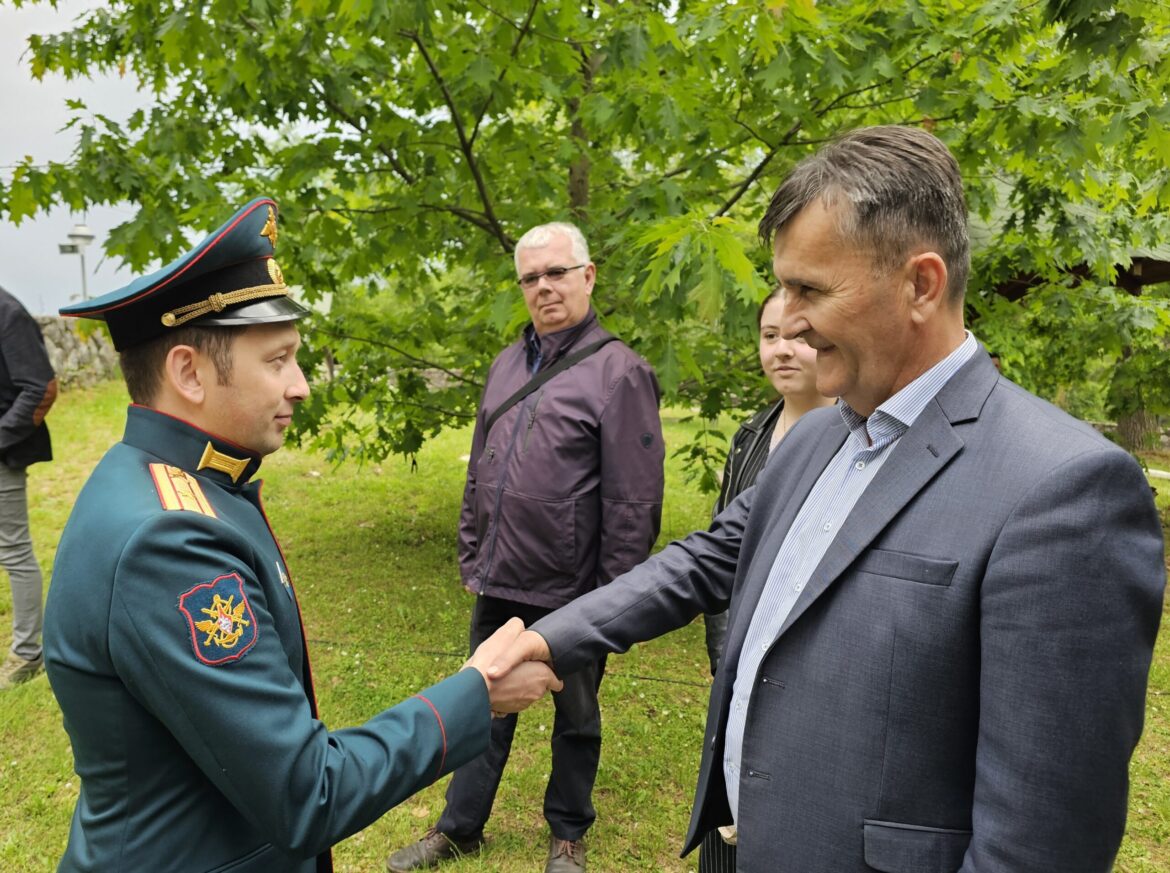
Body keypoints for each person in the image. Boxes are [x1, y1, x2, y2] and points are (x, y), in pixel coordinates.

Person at [489, 126, 1167, 872]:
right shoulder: (818, 437)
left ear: (921, 284)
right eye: (783, 286)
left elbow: (1040, 845)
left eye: (809, 289)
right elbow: (702, 562)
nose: (790, 318)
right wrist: (548, 638)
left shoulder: (1065, 490)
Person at [43, 197, 561, 873]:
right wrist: (474, 693)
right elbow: (304, 790)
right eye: (279, 359)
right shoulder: (167, 540)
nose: (302, 385)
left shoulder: (167, 478)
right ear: (188, 373)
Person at [387, 222, 665, 873]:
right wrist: (470, 553)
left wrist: (615, 595)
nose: (544, 287)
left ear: (588, 276)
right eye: (531, 277)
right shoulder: (508, 363)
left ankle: (567, 834)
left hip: (577, 588)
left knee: (577, 715)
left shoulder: (620, 371)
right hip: (502, 573)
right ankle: (460, 826)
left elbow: (634, 501)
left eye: (557, 272)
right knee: (481, 700)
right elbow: (479, 469)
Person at [698, 286, 834, 871]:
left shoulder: (859, 440)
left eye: (799, 336)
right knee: (724, 820)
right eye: (769, 336)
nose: (782, 350)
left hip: (813, 683)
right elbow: (719, 563)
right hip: (735, 668)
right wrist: (725, 661)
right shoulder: (750, 437)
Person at [0, 285, 57, 690]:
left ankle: (27, 654)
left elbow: (41, 388)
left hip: (2, 456)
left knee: (13, 551)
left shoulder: (8, 313)